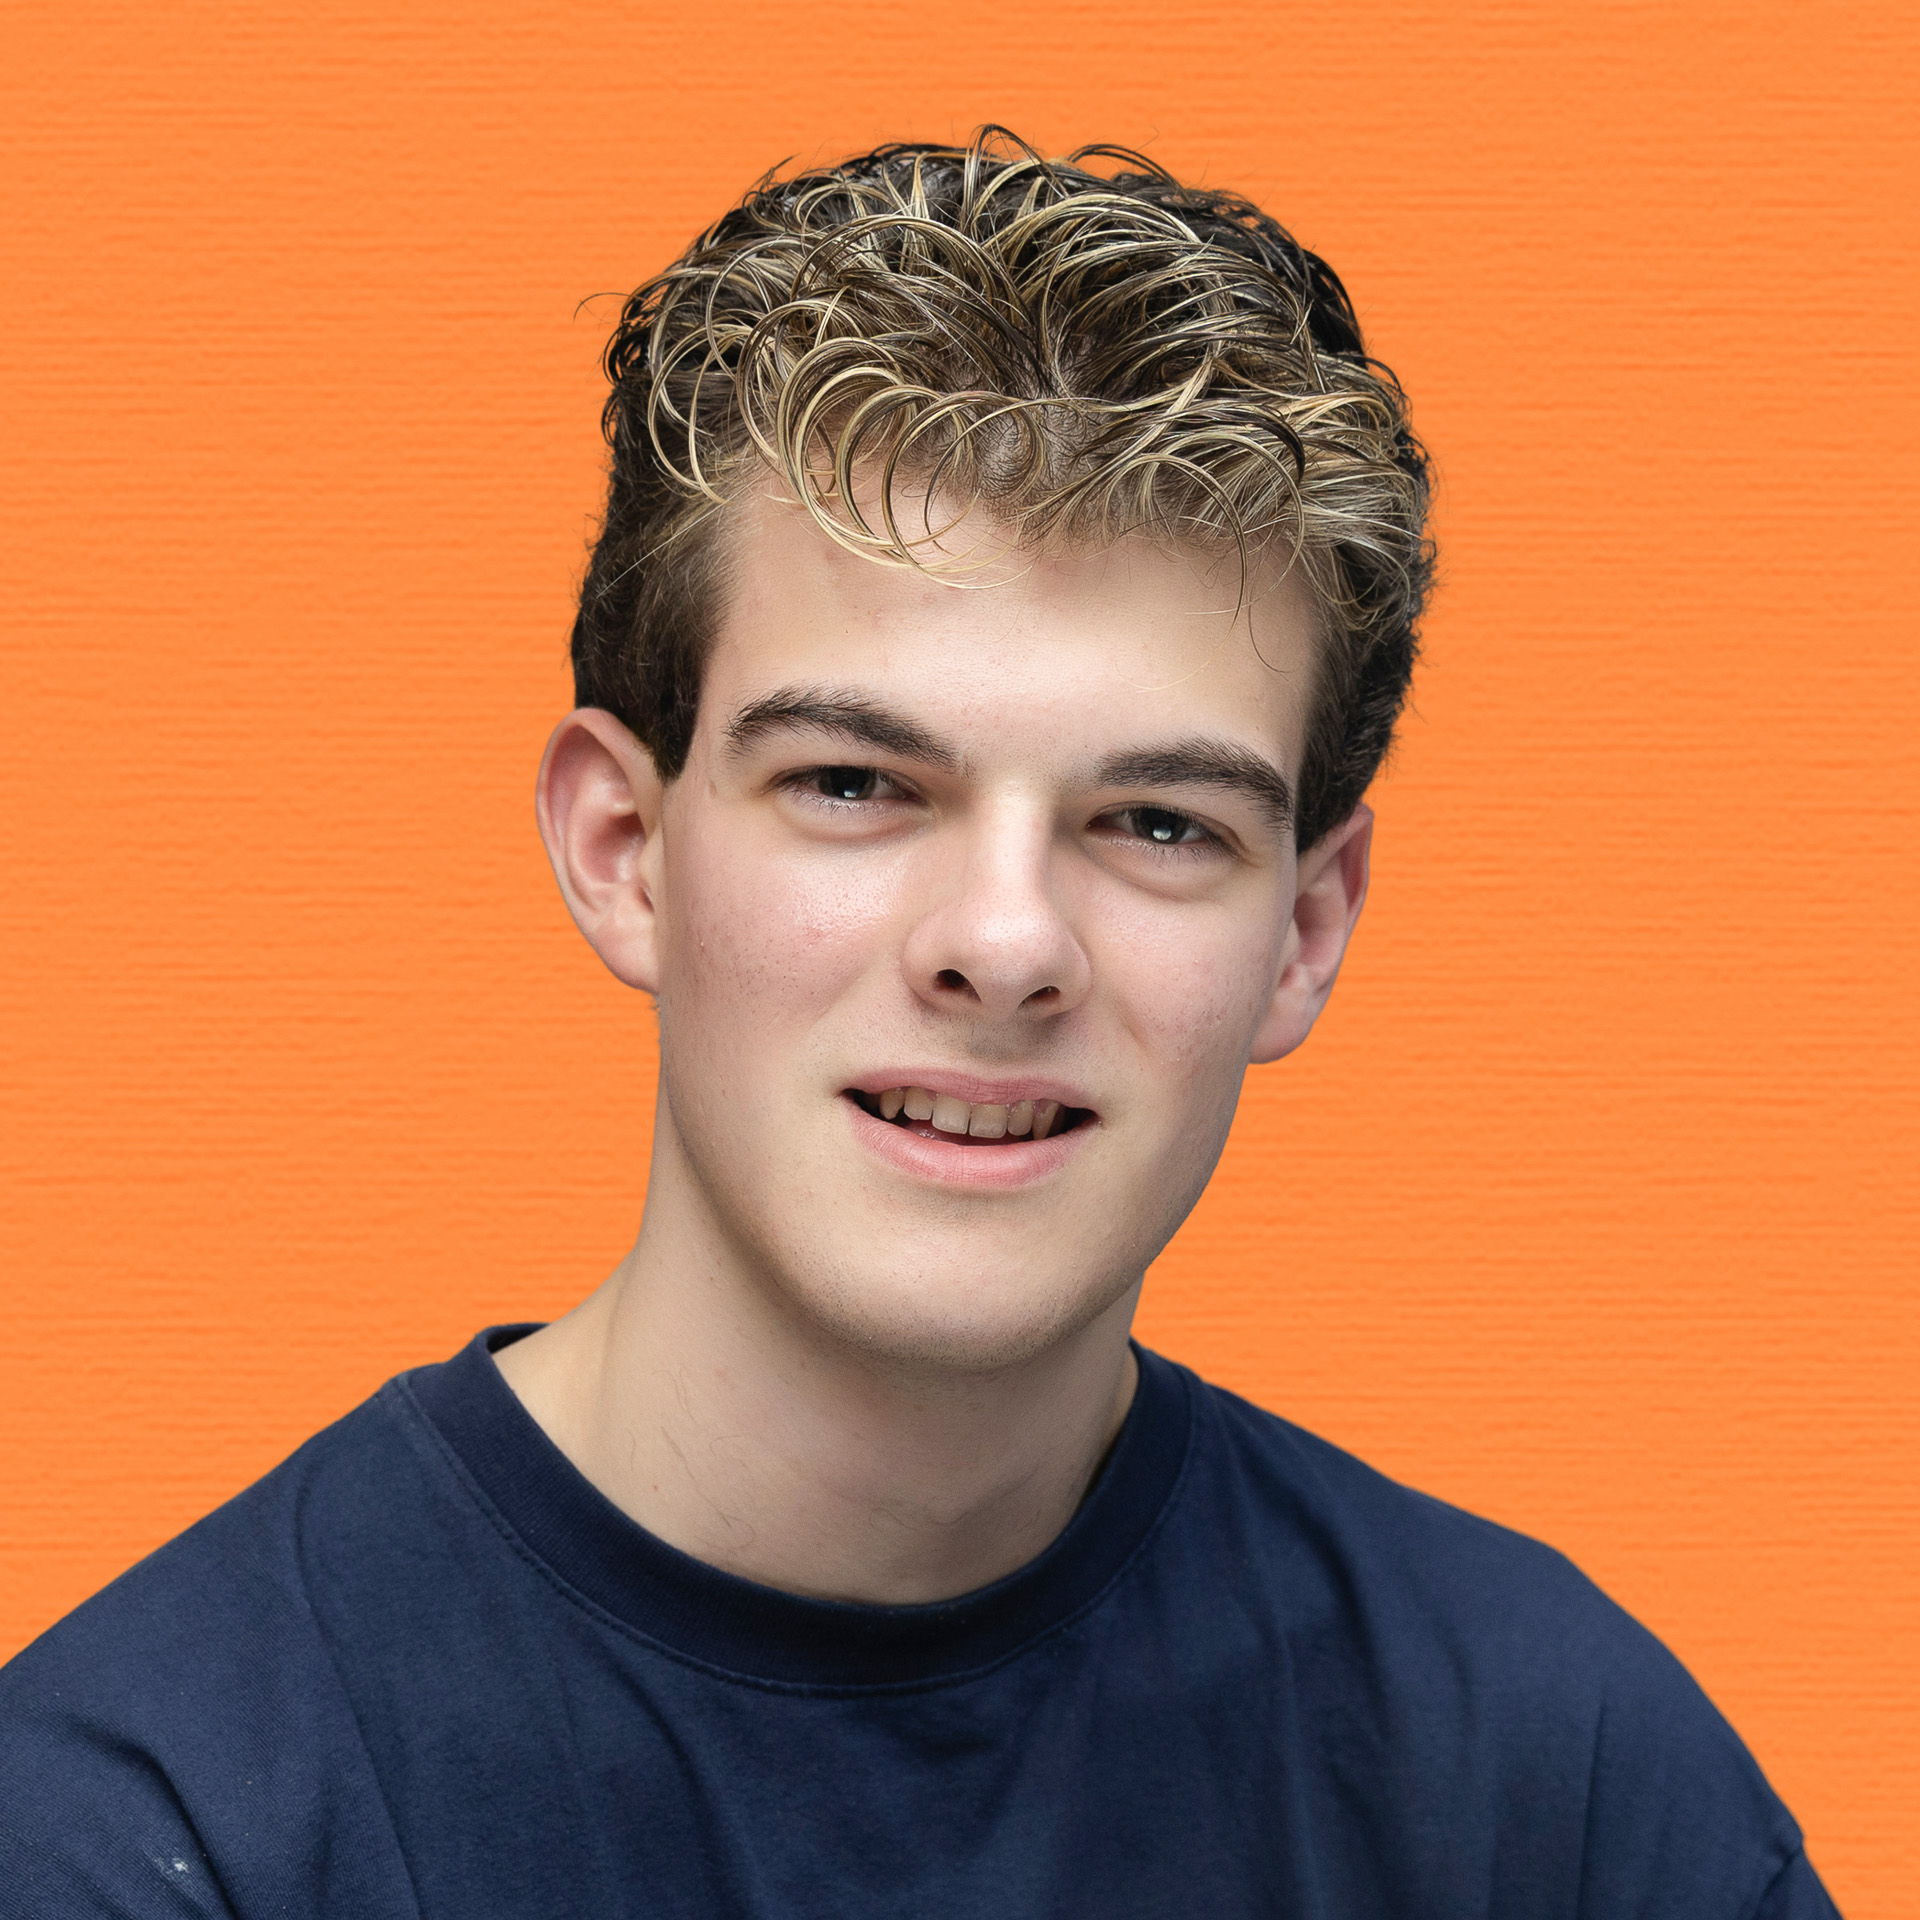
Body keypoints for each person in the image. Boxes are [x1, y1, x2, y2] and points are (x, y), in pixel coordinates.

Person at [0, 132, 1839, 1919]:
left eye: (1158, 824)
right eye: (860, 786)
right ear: (626, 850)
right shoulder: (148, 1827)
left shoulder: (1566, 1791)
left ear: (1306, 929)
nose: (1006, 944)